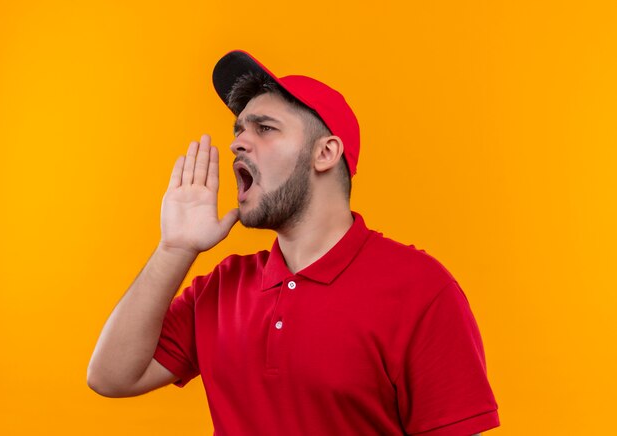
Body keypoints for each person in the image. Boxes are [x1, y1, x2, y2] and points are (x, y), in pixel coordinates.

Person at [88, 50, 500, 435]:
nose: (237, 143)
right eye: (239, 130)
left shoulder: (421, 290)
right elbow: (110, 377)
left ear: (325, 153)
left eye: (265, 128)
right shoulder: (221, 286)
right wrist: (174, 249)